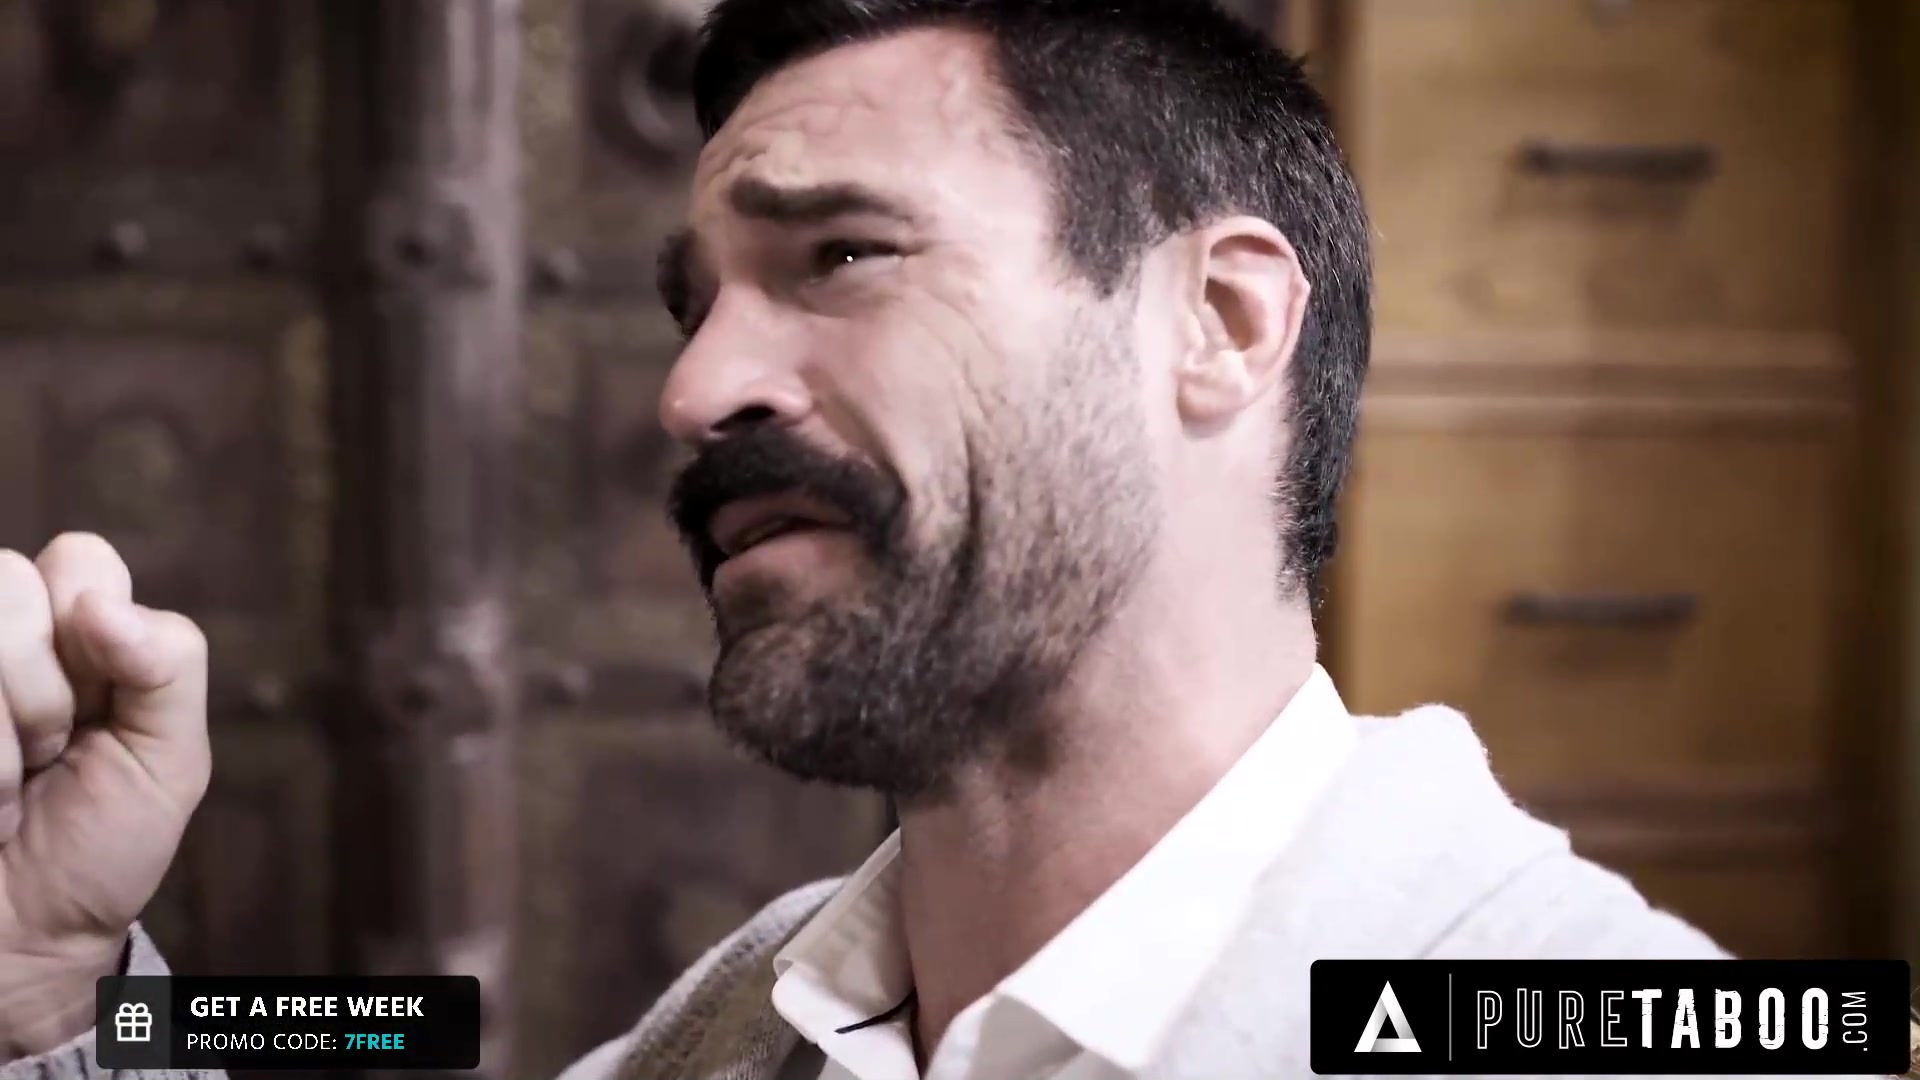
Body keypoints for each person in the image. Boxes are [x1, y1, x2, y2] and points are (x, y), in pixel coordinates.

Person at [0, 1, 1787, 1079]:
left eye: (843, 255)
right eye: (692, 306)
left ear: (1223, 323)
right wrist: (53, 985)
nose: (694, 390)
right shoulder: (752, 1014)